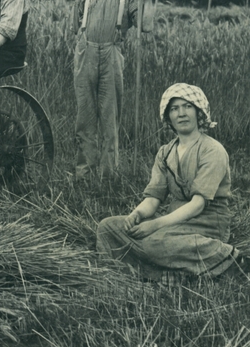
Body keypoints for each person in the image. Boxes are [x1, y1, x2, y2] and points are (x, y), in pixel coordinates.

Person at [95, 84, 240, 283]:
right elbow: (154, 198)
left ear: (199, 113)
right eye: (174, 109)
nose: (181, 113)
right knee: (108, 227)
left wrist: (154, 225)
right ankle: (163, 273)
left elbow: (198, 204)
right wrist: (136, 215)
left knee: (154, 242)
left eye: (187, 106)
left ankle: (225, 256)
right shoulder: (165, 152)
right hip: (174, 221)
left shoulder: (212, 150)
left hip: (207, 222)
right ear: (168, 117)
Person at [71, 0, 142, 179]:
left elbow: (145, 26)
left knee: (110, 117)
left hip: (112, 55)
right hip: (85, 55)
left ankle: (109, 176)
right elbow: (75, 29)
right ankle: (84, 174)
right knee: (85, 117)